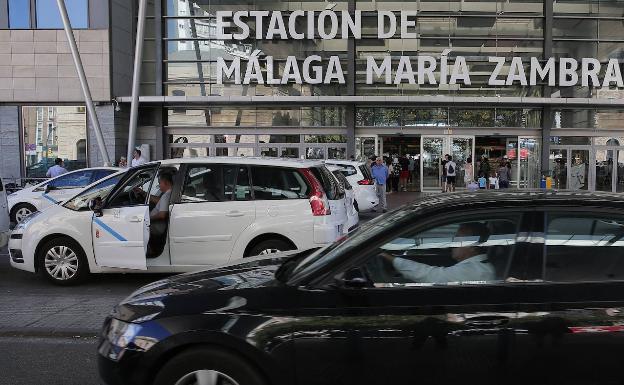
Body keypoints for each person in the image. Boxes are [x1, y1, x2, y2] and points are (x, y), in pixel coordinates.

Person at [381, 222, 495, 284]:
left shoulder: (475, 271)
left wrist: (391, 258)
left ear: (473, 246)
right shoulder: (478, 266)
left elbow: (431, 275)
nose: (453, 241)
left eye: (458, 238)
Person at [146, 172, 173, 258]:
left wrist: (148, 219)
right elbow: (160, 202)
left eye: (160, 183)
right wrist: (144, 194)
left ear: (166, 183)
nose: (159, 186)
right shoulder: (169, 193)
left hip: (157, 224)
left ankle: (150, 250)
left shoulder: (166, 195)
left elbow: (162, 215)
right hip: (160, 224)